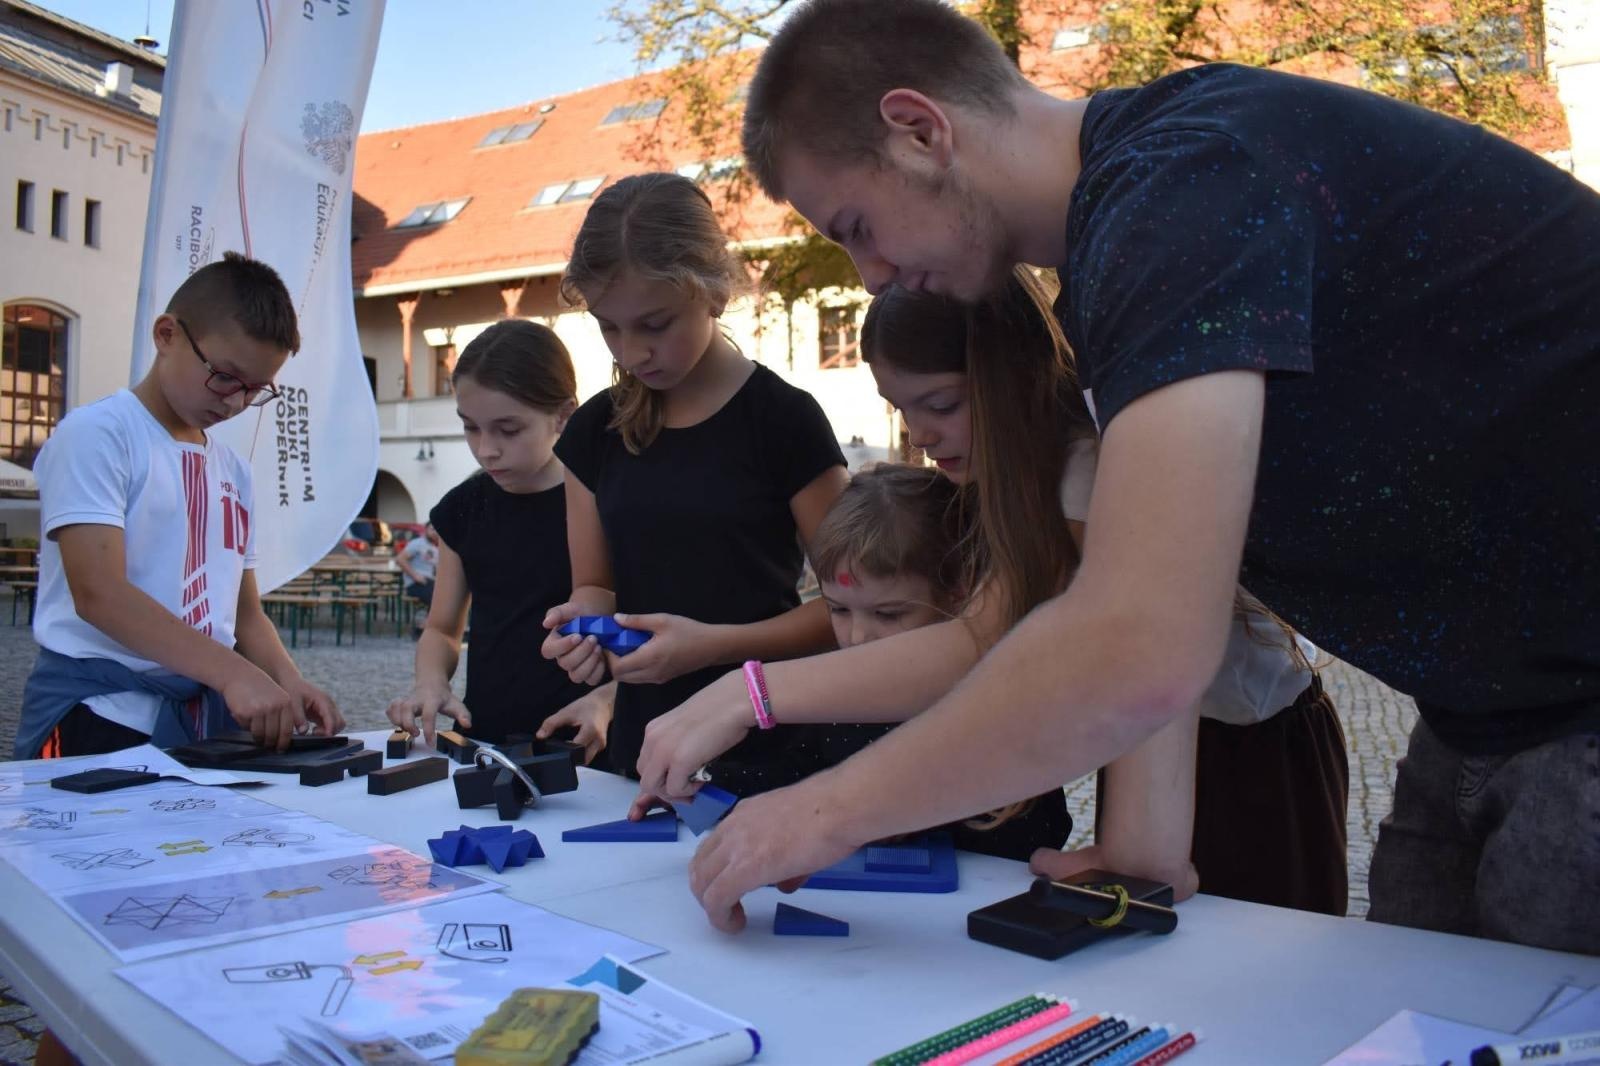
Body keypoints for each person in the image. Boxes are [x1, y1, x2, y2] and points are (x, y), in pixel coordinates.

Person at [678, 0, 1600, 952]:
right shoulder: (1135, 231)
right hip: (1483, 718)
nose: (869, 275)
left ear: (919, 130)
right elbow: (1158, 599)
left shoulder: (1182, 187)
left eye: (858, 225)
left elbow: (1138, 641)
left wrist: (825, 811)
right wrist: (1146, 843)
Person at [638, 268, 1347, 911]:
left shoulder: (1084, 466)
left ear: (1011, 373)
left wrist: (750, 693)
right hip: (1162, 749)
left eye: (940, 403)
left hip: (1251, 756)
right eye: (902, 408)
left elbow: (975, 646)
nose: (919, 434)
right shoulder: (1008, 478)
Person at [540, 172, 853, 784]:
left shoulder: (785, 421)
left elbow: (853, 612)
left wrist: (711, 645)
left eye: (655, 324)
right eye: (609, 326)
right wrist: (583, 631)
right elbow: (596, 586)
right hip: (643, 754)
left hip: (772, 749)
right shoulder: (594, 431)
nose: (631, 353)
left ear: (714, 292)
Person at [15, 252, 343, 758]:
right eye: (225, 376)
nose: (235, 401)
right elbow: (99, 593)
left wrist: (287, 680)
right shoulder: (99, 435)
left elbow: (244, 611)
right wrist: (234, 673)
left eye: (256, 390)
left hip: (201, 718)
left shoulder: (233, 470)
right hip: (99, 712)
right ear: (166, 334)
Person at [385, 321, 610, 760]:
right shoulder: (464, 508)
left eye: (508, 430)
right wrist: (431, 682)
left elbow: (649, 633)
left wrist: (612, 699)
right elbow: (442, 628)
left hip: (589, 742)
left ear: (564, 414)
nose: (486, 449)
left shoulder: (603, 500)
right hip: (487, 739)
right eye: (471, 427)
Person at [395, 523, 440, 636]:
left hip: (429, 582)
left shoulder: (436, 548)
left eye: (437, 530)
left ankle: (424, 627)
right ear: (425, 530)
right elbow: (400, 559)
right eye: (432, 529)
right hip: (414, 584)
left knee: (444, 596)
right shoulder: (417, 544)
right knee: (436, 598)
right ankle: (422, 628)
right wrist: (415, 576)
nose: (435, 532)